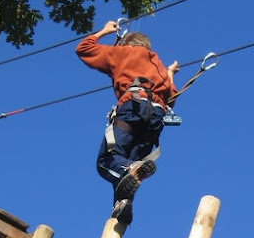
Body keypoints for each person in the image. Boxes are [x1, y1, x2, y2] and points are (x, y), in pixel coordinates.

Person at [76, 20, 179, 225]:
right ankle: (122, 204)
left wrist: (105, 31)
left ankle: (129, 171)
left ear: (126, 44)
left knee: (106, 162)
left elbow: (83, 49)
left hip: (133, 108)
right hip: (155, 120)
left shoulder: (123, 53)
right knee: (127, 169)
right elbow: (171, 98)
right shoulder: (156, 64)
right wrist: (169, 74)